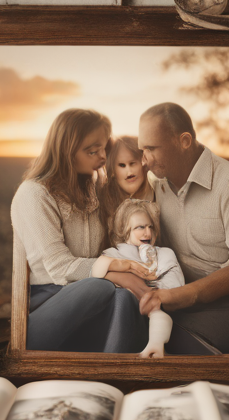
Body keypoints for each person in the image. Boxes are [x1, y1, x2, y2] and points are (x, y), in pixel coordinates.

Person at [135, 102, 229, 354]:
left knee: (167, 339)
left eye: (152, 148)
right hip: (186, 301)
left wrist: (179, 296)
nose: (145, 160)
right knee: (135, 324)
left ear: (185, 141)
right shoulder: (158, 186)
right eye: (142, 149)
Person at [11, 108, 150, 353]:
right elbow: (59, 267)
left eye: (104, 148)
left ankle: (116, 377)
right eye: (92, 151)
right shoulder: (34, 193)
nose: (102, 156)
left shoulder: (92, 189)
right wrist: (118, 270)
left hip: (96, 302)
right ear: (66, 151)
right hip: (46, 304)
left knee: (125, 299)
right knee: (100, 286)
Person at [92, 199, 185, 358]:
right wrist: (124, 267)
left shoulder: (165, 254)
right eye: (140, 227)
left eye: (151, 227)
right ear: (124, 230)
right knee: (120, 295)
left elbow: (175, 288)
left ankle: (155, 340)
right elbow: (95, 272)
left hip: (161, 307)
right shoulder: (113, 254)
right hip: (125, 313)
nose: (147, 233)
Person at [99, 136, 153, 250]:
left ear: (143, 162)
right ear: (113, 170)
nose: (129, 172)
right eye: (122, 165)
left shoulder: (158, 192)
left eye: (132, 163)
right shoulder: (105, 200)